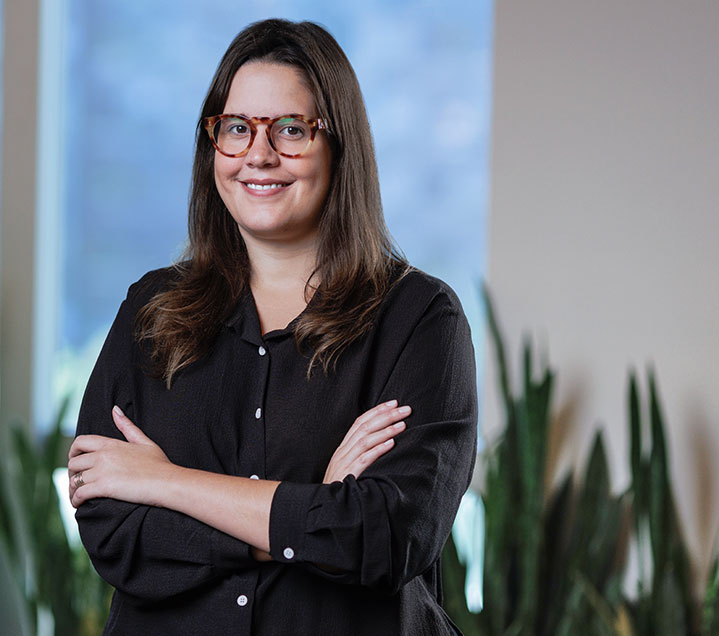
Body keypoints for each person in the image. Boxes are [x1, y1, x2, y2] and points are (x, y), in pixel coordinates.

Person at [68, 18, 477, 636]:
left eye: (290, 129)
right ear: (212, 145)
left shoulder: (418, 319)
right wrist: (316, 507)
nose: (258, 154)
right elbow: (113, 530)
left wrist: (165, 483)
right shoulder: (151, 311)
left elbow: (387, 536)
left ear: (340, 144)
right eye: (236, 128)